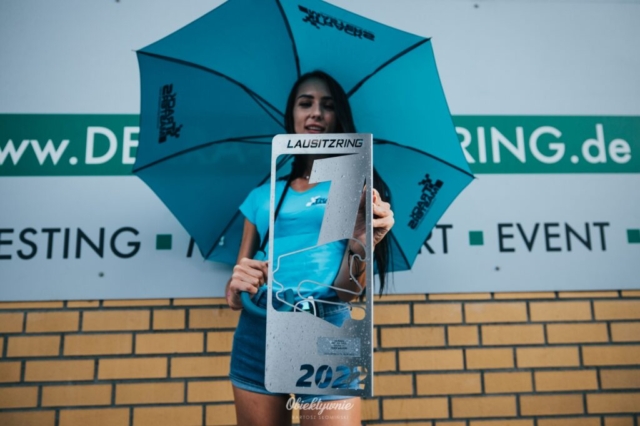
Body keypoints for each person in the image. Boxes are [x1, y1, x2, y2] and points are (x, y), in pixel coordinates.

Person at [225, 70, 395, 426]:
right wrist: (238, 282)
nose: (315, 112)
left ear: (338, 118)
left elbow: (349, 291)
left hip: (327, 329)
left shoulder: (351, 187)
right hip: (258, 331)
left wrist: (361, 243)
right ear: (292, 116)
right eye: (306, 104)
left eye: (327, 105)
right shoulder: (263, 194)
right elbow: (233, 290)